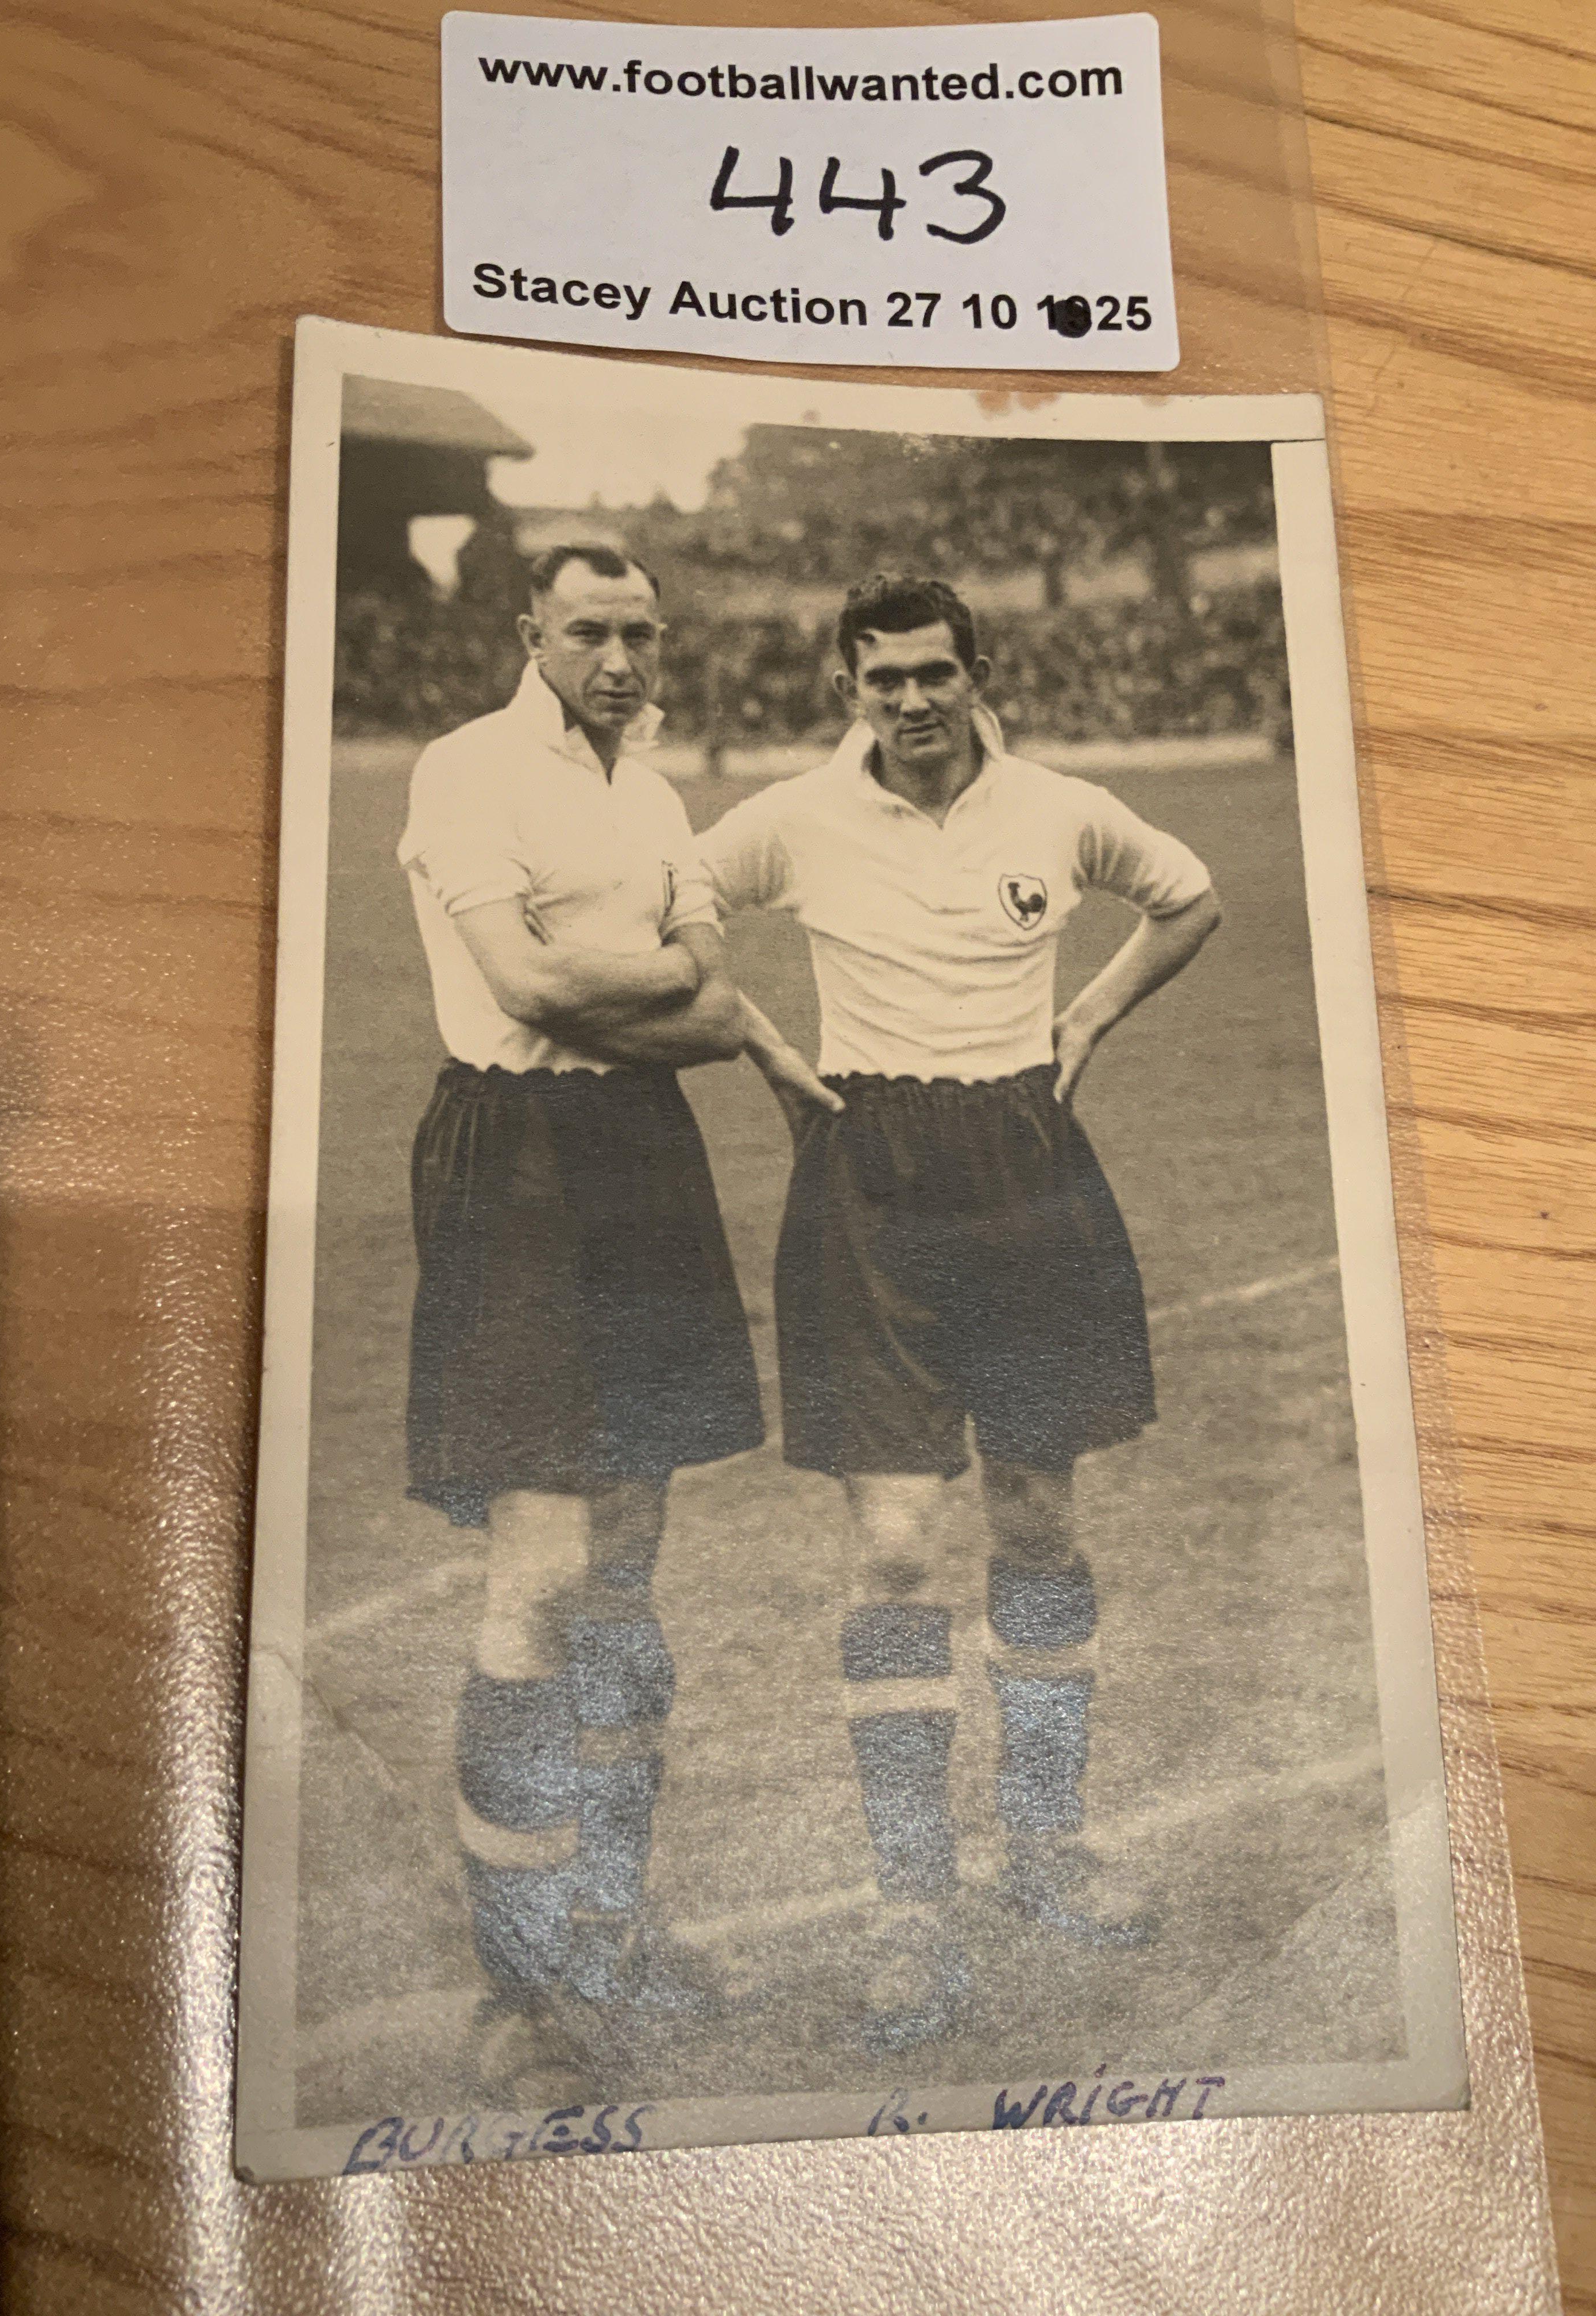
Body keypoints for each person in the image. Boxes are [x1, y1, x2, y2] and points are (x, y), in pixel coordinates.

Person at [701, 574, 1222, 2048]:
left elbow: (1188, 898)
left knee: (1040, 1522)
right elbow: (670, 911)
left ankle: (1049, 1843)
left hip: (1027, 1162)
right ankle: (911, 1905)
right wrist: (763, 1048)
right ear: (848, 687)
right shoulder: (792, 819)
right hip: (869, 1172)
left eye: (936, 673)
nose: (913, 700)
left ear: (977, 674)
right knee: (894, 1544)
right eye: (885, 679)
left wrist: (1090, 1016)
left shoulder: (1060, 807)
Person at [398, 543, 834, 2026]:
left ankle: (612, 1930)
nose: (623, 658)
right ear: (530, 630)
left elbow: (713, 992)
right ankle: (520, 1990)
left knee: (630, 1565)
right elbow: (522, 993)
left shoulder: (651, 798)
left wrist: (659, 995)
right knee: (541, 1575)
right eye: (591, 629)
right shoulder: (465, 771)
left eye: (642, 632)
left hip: (640, 1150)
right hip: (511, 1155)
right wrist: (656, 991)